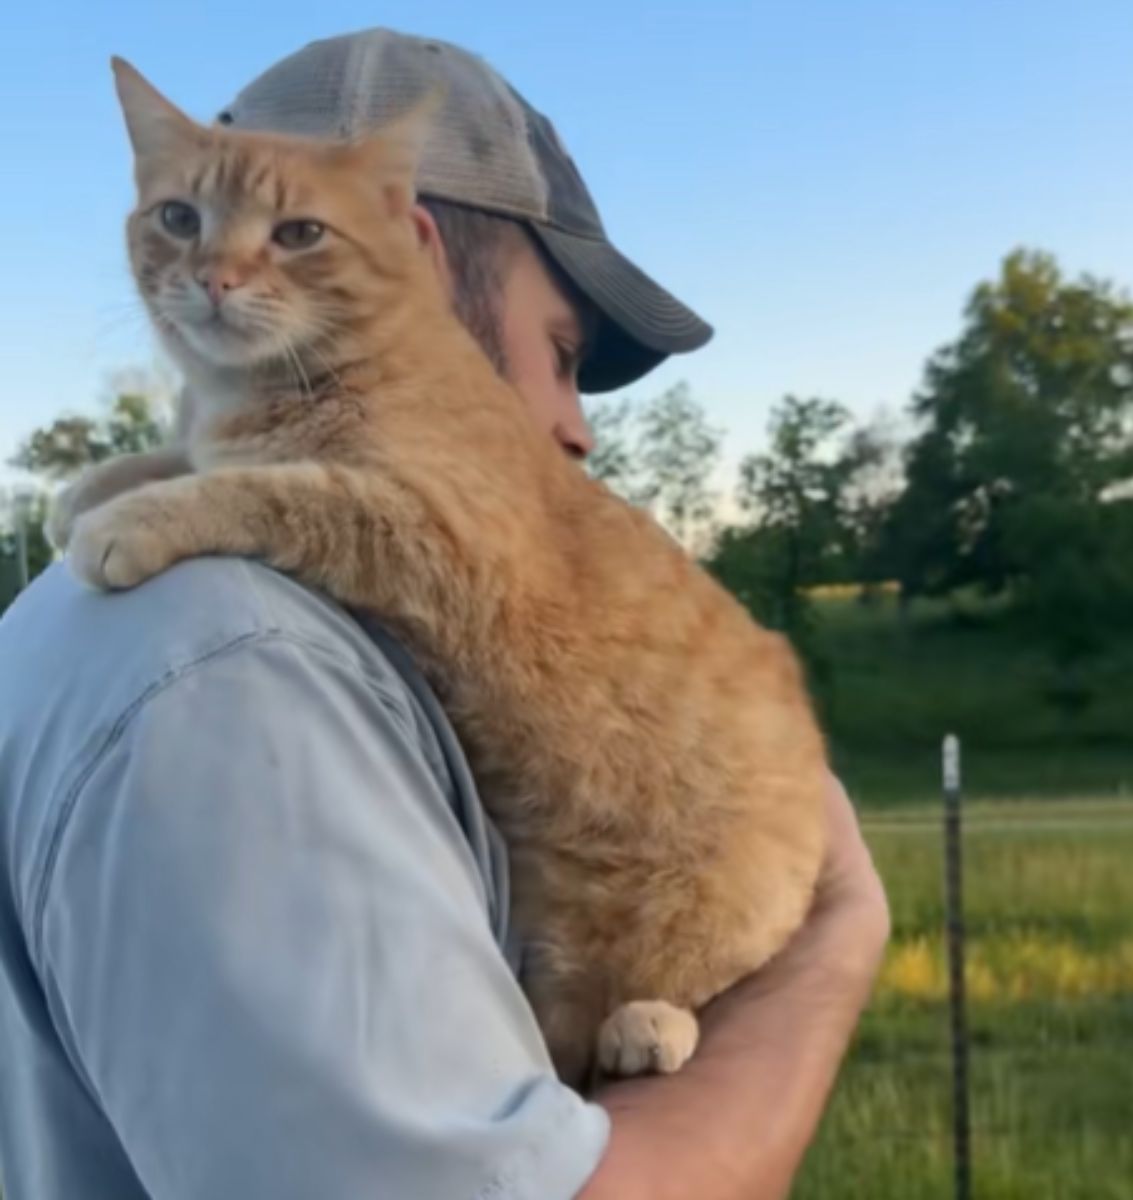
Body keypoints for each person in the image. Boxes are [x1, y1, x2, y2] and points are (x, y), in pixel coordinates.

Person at [0, 28, 889, 1200]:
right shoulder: (239, 658)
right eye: (562, 356)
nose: (578, 429)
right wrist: (828, 948)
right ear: (409, 255)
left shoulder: (130, 611)